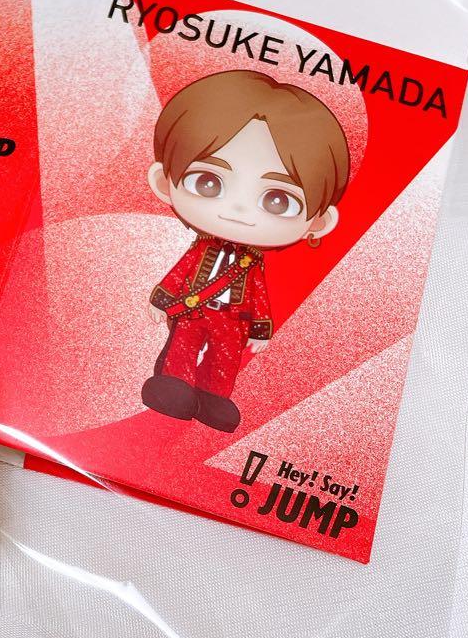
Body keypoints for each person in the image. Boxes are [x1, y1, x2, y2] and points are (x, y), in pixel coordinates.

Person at [143, 69, 350, 433]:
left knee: (224, 361)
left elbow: (258, 293)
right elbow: (181, 272)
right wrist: (162, 300)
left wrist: (259, 328)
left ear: (318, 221)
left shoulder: (250, 262)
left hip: (234, 320)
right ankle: (174, 387)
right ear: (164, 182)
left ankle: (214, 397)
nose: (238, 210)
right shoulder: (201, 248)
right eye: (208, 182)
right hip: (193, 308)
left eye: (278, 200)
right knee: (182, 349)